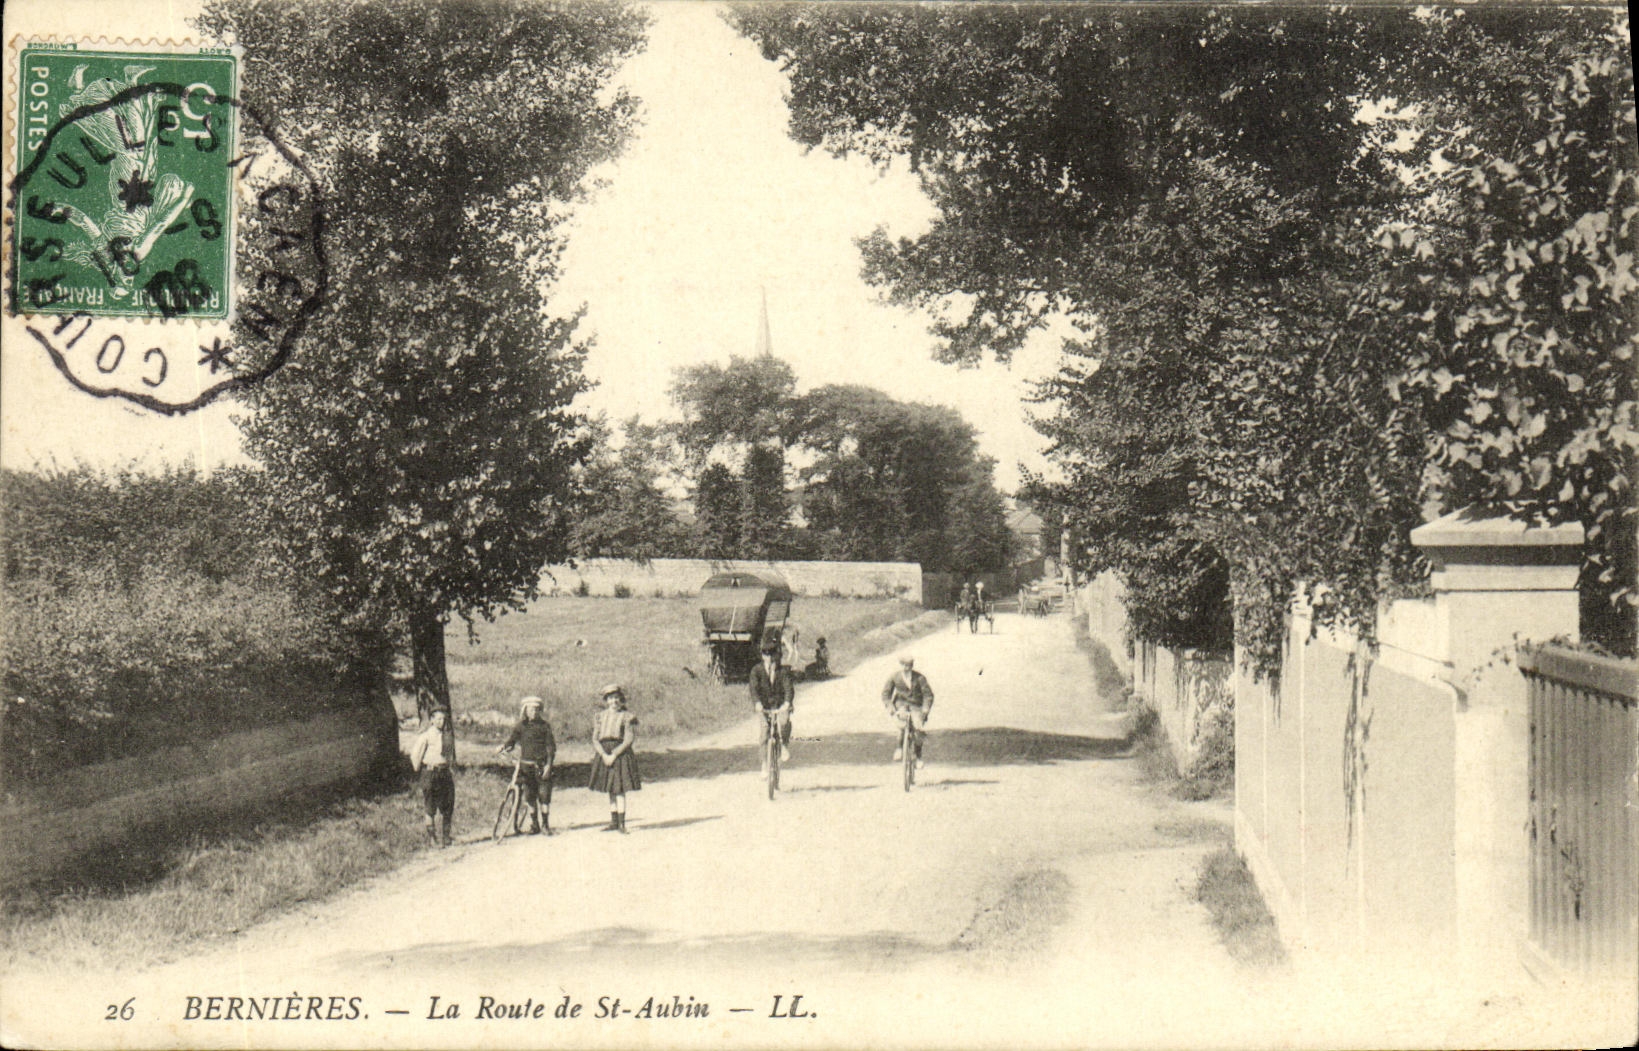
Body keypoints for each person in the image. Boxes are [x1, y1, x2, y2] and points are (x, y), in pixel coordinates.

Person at [495, 696, 556, 835]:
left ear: (540, 711)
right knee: (530, 796)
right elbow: (512, 741)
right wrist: (503, 747)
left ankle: (545, 824)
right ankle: (534, 824)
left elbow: (551, 748)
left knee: (544, 796)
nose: (534, 712)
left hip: (541, 765)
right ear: (525, 710)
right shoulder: (520, 726)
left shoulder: (545, 726)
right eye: (530, 709)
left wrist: (548, 765)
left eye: (536, 709)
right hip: (525, 767)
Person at [589, 684, 641, 833]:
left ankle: (622, 824)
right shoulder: (600, 716)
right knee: (610, 788)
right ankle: (614, 822)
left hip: (620, 754)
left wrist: (614, 755)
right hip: (604, 753)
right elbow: (595, 739)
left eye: (617, 698)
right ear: (606, 700)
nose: (614, 702)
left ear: (621, 700)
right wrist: (604, 755)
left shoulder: (626, 716)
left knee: (619, 789)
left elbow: (628, 739)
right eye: (611, 699)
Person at [410, 709, 456, 847]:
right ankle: (432, 838)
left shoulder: (447, 736)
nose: (441, 722)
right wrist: (419, 770)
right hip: (430, 773)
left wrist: (450, 767)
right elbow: (415, 755)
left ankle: (446, 837)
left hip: (444, 773)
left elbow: (450, 755)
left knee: (448, 803)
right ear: (431, 720)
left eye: (443, 719)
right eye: (438, 719)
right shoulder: (426, 736)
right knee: (430, 806)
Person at [882, 655, 935, 768]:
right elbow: (886, 694)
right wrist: (891, 708)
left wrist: (925, 710)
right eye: (904, 665)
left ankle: (918, 757)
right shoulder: (895, 677)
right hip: (901, 705)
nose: (907, 668)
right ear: (901, 665)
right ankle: (899, 748)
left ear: (912, 666)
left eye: (909, 666)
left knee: (918, 728)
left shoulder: (919, 678)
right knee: (902, 723)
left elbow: (928, 695)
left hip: (916, 706)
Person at [749, 640, 795, 766]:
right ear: (762, 656)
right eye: (766, 655)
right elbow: (753, 688)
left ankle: (784, 745)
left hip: (780, 705)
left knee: (784, 722)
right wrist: (757, 703)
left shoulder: (783, 671)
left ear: (776, 655)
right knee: (764, 732)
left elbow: (788, 688)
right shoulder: (756, 671)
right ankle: (764, 763)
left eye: (771, 655)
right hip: (764, 706)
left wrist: (787, 702)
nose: (769, 658)